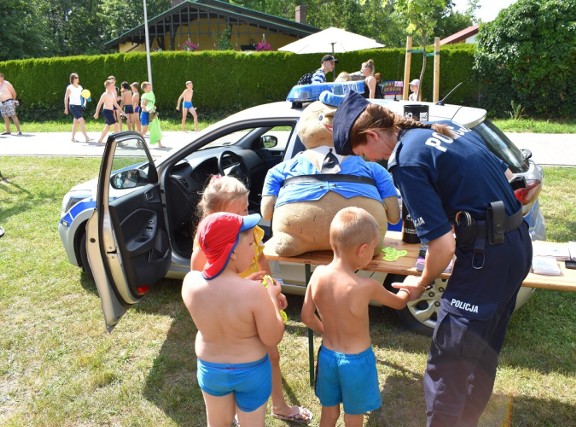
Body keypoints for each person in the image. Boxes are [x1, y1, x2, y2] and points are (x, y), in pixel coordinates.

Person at [332, 91, 533, 426]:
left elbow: (442, 247)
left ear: (371, 136)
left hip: (487, 259)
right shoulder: (444, 128)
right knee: (481, 355)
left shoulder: (406, 161)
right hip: (515, 245)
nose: (371, 161)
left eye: (364, 154)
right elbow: (503, 177)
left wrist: (420, 283)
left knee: (447, 368)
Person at [191, 175, 314, 425]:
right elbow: (202, 281)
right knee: (250, 358)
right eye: (237, 213)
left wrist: (272, 293)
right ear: (215, 216)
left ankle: (278, 405)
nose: (243, 217)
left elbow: (261, 260)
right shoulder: (205, 244)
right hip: (240, 309)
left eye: (246, 209)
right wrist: (249, 291)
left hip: (258, 302)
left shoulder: (251, 231)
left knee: (272, 357)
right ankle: (240, 410)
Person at [301, 206, 410, 427]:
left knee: (329, 413)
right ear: (362, 249)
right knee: (353, 417)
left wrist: (326, 330)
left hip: (328, 357)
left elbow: (306, 316)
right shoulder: (366, 286)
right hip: (356, 363)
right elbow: (398, 303)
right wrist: (409, 288)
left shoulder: (318, 274)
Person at [182, 212, 285, 427]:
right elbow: (272, 337)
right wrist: (272, 299)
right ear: (233, 252)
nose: (255, 249)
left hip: (211, 371)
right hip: (251, 371)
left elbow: (220, 298)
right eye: (250, 243)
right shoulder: (255, 292)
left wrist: (243, 283)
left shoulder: (190, 283)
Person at [93, 79, 125, 145]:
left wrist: (122, 111)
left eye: (113, 86)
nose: (113, 87)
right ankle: (118, 141)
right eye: (112, 86)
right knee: (116, 125)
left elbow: (115, 104)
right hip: (106, 112)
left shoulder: (112, 94)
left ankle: (100, 140)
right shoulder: (104, 95)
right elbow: (99, 104)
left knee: (107, 127)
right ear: (107, 87)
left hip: (110, 111)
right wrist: (96, 113)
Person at [63, 73, 92, 143]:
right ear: (72, 79)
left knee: (76, 122)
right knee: (82, 121)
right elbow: (66, 98)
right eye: (76, 77)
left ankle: (72, 138)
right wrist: (66, 108)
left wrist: (84, 104)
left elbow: (82, 97)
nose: (78, 78)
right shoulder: (69, 87)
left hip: (79, 107)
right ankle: (86, 137)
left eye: (78, 77)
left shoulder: (80, 87)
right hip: (73, 106)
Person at [140, 81, 164, 147]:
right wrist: (148, 109)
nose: (151, 87)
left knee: (156, 127)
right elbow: (142, 105)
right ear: (145, 88)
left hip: (152, 113)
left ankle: (159, 144)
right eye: (149, 86)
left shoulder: (151, 94)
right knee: (144, 131)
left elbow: (151, 104)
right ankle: (138, 140)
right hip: (145, 114)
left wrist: (153, 107)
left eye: (151, 86)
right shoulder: (144, 96)